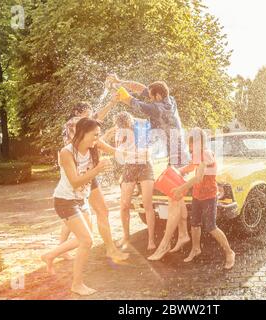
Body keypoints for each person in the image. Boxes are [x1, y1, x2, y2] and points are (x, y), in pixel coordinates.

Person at [107, 75, 191, 260]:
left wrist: (119, 91)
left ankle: (164, 244)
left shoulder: (157, 108)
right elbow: (141, 88)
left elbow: (132, 101)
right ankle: (183, 234)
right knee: (178, 200)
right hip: (178, 155)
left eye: (152, 96)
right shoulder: (171, 100)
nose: (150, 98)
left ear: (158, 97)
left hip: (177, 158)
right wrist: (120, 81)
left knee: (173, 201)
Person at [41, 118, 112, 296]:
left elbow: (112, 153)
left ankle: (50, 255)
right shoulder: (66, 152)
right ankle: (77, 284)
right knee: (87, 241)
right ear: (82, 133)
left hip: (81, 200)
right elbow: (74, 182)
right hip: (65, 201)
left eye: (99, 135)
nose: (97, 139)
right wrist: (97, 170)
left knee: (84, 239)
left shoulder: (92, 149)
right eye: (95, 135)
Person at [59, 97, 128, 262]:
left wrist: (112, 103)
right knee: (99, 211)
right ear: (77, 113)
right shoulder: (74, 123)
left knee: (75, 212)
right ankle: (110, 249)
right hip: (80, 173)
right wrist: (116, 152)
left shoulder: (76, 123)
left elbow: (97, 118)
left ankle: (61, 248)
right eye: (87, 114)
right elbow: (96, 139)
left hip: (81, 172)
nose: (90, 117)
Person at [171, 128, 235, 269]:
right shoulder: (197, 154)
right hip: (197, 195)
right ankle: (195, 249)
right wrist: (179, 171)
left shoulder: (206, 154)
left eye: (192, 143)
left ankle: (230, 253)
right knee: (194, 224)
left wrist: (181, 188)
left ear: (199, 142)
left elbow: (198, 177)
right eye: (190, 143)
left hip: (209, 196)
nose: (190, 147)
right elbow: (192, 166)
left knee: (211, 227)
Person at [114, 111, 156, 251]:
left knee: (147, 204)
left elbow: (147, 153)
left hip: (145, 166)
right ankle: (126, 237)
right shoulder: (120, 133)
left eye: (126, 125)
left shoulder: (142, 130)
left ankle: (151, 240)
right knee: (124, 205)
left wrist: (129, 153)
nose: (124, 128)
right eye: (121, 126)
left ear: (130, 123)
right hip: (130, 167)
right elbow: (119, 155)